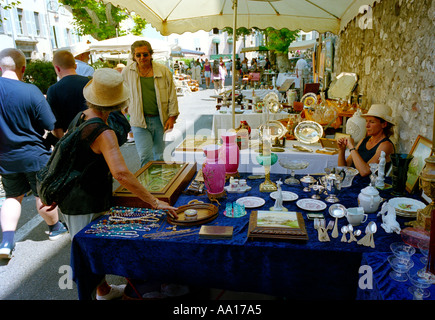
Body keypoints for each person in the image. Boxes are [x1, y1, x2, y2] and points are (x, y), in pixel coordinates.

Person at [40, 68, 178, 299]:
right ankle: (96, 292)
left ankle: (103, 290)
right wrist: (154, 202)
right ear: (119, 103)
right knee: (89, 255)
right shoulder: (103, 132)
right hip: (84, 202)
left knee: (90, 251)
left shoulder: (82, 116)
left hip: (74, 198)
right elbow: (121, 173)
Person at [0, 48, 67, 259]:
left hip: (5, 157)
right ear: (23, 68)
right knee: (42, 194)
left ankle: (6, 241)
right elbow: (50, 123)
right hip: (34, 155)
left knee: (12, 197)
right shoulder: (30, 91)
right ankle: (55, 228)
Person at [122, 40, 179, 167]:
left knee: (159, 155)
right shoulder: (127, 72)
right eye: (138, 55)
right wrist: (125, 110)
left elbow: (172, 95)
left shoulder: (163, 71)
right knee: (145, 156)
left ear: (150, 54)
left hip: (160, 120)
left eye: (145, 54)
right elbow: (122, 93)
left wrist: (172, 117)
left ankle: (159, 184)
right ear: (133, 56)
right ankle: (146, 186)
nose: (142, 58)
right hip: (139, 121)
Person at [337, 104, 395, 177]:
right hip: (353, 182)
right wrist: (341, 150)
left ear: (384, 124)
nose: (367, 126)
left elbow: (365, 171)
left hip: (368, 186)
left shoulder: (386, 145)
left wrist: (352, 148)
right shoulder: (364, 140)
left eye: (372, 122)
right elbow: (343, 168)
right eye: (366, 121)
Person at [46, 50, 90, 139]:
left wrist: (61, 144)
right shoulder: (90, 83)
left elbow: (55, 125)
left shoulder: (53, 90)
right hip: (94, 138)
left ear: (57, 68)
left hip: (70, 141)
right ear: (75, 66)